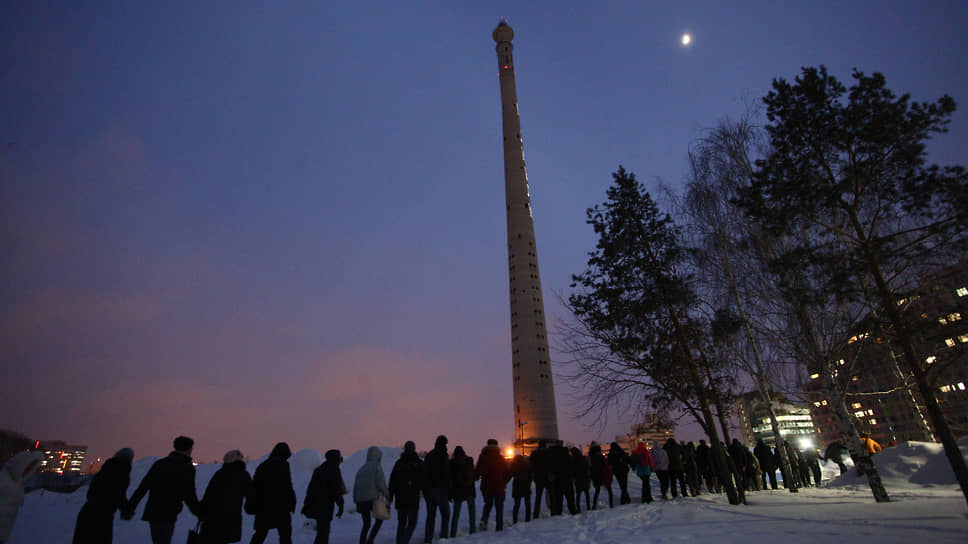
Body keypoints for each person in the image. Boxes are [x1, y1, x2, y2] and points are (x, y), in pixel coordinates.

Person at [126, 436, 202, 544]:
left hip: (154, 510)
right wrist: (200, 513)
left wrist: (130, 507)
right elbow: (189, 495)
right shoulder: (186, 468)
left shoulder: (160, 464)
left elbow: (143, 487)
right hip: (169, 512)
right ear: (189, 449)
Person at [72, 447, 134, 543]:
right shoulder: (122, 472)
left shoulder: (103, 471)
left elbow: (90, 492)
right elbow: (118, 493)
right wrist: (126, 510)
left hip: (87, 511)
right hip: (103, 516)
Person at [196, 450, 252, 544]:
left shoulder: (219, 474)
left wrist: (202, 512)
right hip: (231, 519)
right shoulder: (243, 475)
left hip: (212, 519)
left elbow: (208, 496)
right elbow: (251, 495)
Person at [249, 442, 297, 544]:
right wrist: (292, 501)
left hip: (263, 506)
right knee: (285, 535)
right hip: (280, 506)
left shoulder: (263, 466)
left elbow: (255, 486)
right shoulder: (283, 464)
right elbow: (287, 485)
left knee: (260, 534)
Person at [302, 449, 346, 544]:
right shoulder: (334, 469)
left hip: (315, 505)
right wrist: (341, 504)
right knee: (324, 533)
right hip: (325, 506)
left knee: (321, 532)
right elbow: (336, 489)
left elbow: (310, 489)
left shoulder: (319, 469)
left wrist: (307, 504)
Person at [0, 451, 43, 544]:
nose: (28, 469)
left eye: (31, 467)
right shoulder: (3, 479)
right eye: (27, 466)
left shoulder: (18, 483)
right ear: (20, 465)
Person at [388, 442, 422, 544]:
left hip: (400, 498)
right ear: (414, 449)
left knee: (401, 523)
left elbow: (392, 481)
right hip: (413, 499)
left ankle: (400, 542)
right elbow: (424, 480)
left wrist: (390, 496)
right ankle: (404, 541)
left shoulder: (399, 463)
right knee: (412, 522)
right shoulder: (419, 463)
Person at [354, 446, 388, 544]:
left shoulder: (361, 469)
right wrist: (387, 495)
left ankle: (362, 542)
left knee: (366, 524)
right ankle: (370, 540)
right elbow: (380, 483)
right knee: (380, 519)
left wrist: (356, 500)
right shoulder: (377, 466)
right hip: (373, 499)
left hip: (361, 500)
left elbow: (356, 486)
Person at [476, 439, 509, 530]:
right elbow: (506, 472)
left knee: (488, 504)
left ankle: (484, 522)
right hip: (499, 486)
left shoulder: (482, 457)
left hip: (486, 486)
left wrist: (475, 477)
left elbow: (478, 470)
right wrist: (504, 482)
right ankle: (499, 526)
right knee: (499, 507)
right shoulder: (500, 458)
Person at [422, 435, 450, 543]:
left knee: (431, 515)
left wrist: (425, 489)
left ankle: (428, 538)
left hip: (430, 489)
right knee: (445, 514)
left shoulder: (430, 455)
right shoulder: (444, 455)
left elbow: (424, 473)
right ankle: (443, 537)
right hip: (441, 489)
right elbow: (446, 473)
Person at [448, 446, 476, 537]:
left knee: (455, 515)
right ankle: (473, 531)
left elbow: (450, 479)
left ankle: (453, 533)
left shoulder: (452, 463)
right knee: (472, 513)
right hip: (469, 490)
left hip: (457, 492)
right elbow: (473, 474)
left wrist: (450, 493)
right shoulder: (469, 461)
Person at [548, 442, 576, 515]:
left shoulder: (552, 457)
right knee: (570, 498)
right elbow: (572, 466)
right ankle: (573, 511)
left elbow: (551, 468)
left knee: (558, 499)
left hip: (557, 481)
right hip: (567, 479)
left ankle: (558, 513)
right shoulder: (567, 456)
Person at [529, 441, 551, 518]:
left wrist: (533, 475)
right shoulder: (549, 453)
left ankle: (536, 513)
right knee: (551, 495)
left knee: (538, 496)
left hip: (538, 477)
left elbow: (531, 465)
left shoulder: (534, 453)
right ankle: (554, 511)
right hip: (548, 476)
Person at [588, 443, 613, 509]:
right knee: (609, 489)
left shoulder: (590, 457)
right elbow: (605, 465)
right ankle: (611, 504)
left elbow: (590, 467)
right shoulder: (600, 456)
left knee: (597, 490)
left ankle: (594, 505)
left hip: (595, 475)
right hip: (603, 474)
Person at [509, 453, 532, 524]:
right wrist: (529, 481)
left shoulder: (513, 465)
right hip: (526, 485)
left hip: (517, 486)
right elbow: (530, 475)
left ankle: (515, 520)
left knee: (516, 505)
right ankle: (528, 519)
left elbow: (511, 473)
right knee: (527, 504)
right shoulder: (526, 465)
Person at [571, 447, 591, 513]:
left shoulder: (573, 460)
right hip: (585, 478)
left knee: (578, 494)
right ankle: (588, 506)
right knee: (586, 493)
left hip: (578, 479)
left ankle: (578, 508)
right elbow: (588, 467)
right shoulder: (583, 458)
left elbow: (573, 471)